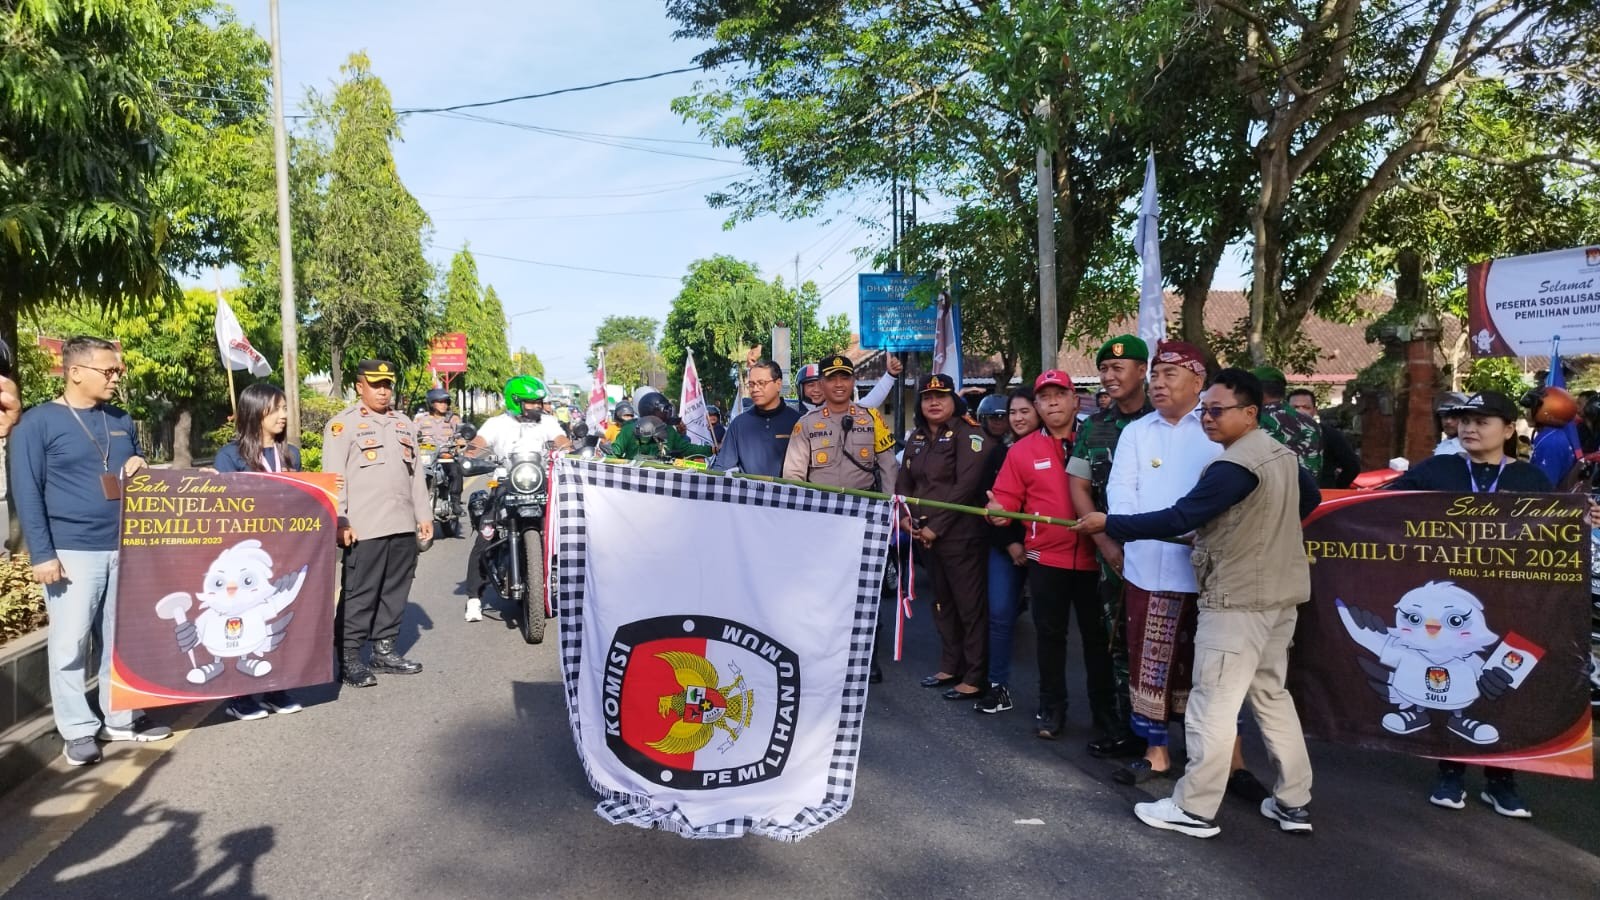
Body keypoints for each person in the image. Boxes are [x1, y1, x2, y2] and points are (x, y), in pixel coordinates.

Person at [1075, 368, 1321, 840]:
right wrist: (1255, 530)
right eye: (1205, 410)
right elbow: (1305, 499)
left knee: (1213, 705)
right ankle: (1294, 801)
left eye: (1218, 411)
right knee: (1271, 696)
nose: (1208, 418)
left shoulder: (1233, 466)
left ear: (1250, 413)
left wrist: (1110, 524)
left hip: (1237, 600)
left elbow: (1181, 516)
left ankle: (1195, 807)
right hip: (1279, 596)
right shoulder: (1280, 454)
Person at [1386, 390, 1556, 817]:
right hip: (1453, 611)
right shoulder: (1438, 469)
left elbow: (1559, 531)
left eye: (1482, 421)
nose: (1469, 428)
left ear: (1509, 429)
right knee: (1450, 685)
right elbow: (1378, 507)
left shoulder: (1530, 479)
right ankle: (1451, 771)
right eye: (1464, 420)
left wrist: (1586, 518)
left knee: (1504, 686)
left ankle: (1502, 779)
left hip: (1513, 602)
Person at [12, 336, 172, 765]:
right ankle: (78, 730)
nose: (117, 378)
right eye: (109, 370)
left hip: (125, 547)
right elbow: (27, 493)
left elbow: (137, 464)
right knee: (71, 644)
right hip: (71, 552)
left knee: (121, 640)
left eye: (119, 370)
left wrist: (141, 464)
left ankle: (120, 718)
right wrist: (42, 554)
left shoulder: (120, 419)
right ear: (75, 372)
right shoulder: (37, 424)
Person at [1104, 341, 1220, 784]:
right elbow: (1121, 490)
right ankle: (1157, 751)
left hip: (1204, 569)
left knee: (1205, 666)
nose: (1157, 383)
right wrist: (1132, 528)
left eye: (1170, 374)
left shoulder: (1214, 429)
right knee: (1149, 663)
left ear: (1198, 381)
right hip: (1148, 565)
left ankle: (1215, 757)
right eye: (1154, 374)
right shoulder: (1137, 432)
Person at [987, 370, 1114, 744]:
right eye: (1044, 397)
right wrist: (998, 513)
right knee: (1050, 638)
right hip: (1046, 560)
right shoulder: (1022, 450)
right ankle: (1052, 707)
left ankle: (1106, 714)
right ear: (1038, 405)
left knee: (1099, 641)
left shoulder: (1100, 440)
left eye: (1060, 394)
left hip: (1097, 559)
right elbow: (1005, 501)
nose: (1052, 402)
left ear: (1076, 400)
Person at [1065, 335, 1154, 758]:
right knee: (1119, 640)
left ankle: (1168, 735)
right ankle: (1129, 729)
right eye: (1104, 369)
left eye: (1119, 368)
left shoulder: (1168, 421)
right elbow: (1078, 485)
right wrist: (1104, 543)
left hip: (1165, 549)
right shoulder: (1094, 426)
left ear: (1142, 370)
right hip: (1114, 553)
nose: (1109, 376)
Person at [323, 360, 431, 687]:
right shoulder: (342, 426)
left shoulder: (403, 424)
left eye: (387, 384)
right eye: (376, 385)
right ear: (360, 387)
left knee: (395, 590)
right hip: (364, 526)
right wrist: (340, 520)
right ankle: (349, 658)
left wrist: (423, 515)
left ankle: (384, 651)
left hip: (402, 523)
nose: (383, 391)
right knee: (360, 594)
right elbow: (334, 478)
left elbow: (416, 475)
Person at [213, 382, 305, 720]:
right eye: (276, 408)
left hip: (284, 551)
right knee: (242, 620)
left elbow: (302, 499)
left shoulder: (289, 453)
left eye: (284, 408)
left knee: (277, 619)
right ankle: (238, 694)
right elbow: (223, 507)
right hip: (244, 554)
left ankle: (275, 687)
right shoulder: (230, 456)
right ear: (255, 411)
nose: (283, 415)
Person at [896, 373, 991, 700]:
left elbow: (965, 487)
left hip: (959, 536)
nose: (933, 402)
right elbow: (904, 481)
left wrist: (935, 527)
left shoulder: (969, 433)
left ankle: (975, 676)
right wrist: (905, 518)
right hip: (923, 534)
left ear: (954, 400)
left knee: (969, 606)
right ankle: (951, 665)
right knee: (941, 603)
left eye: (941, 396)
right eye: (927, 397)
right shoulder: (917, 437)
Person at [461, 375, 570, 622]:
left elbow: (562, 440)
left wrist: (569, 449)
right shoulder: (496, 424)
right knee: (485, 535)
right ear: (515, 401)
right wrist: (470, 453)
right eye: (531, 402)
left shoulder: (548, 422)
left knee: (567, 530)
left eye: (539, 402)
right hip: (505, 483)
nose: (537, 406)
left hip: (541, 483)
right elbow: (479, 444)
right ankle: (474, 598)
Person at [973, 389, 1038, 714]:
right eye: (1012, 413)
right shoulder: (1000, 453)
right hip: (1006, 546)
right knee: (999, 615)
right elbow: (987, 503)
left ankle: (1053, 702)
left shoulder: (1062, 448)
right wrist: (1011, 543)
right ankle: (997, 686)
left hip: (1047, 547)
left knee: (1051, 626)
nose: (1017, 418)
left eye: (1025, 411)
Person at [783, 355, 898, 489]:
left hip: (863, 499)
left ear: (853, 381)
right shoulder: (806, 423)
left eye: (845, 378)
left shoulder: (871, 417)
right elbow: (793, 474)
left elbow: (889, 466)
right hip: (820, 500)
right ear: (821, 384)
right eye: (831, 379)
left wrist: (888, 500)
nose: (839, 384)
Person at [713, 361, 800, 477]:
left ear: (778, 384)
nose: (755, 389)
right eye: (751, 384)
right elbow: (722, 468)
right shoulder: (739, 424)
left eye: (761, 383)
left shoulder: (798, 422)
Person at [1253, 366, 1324, 478]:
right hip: (1305, 487)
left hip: (1266, 487)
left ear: (1256, 391)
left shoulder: (1252, 422)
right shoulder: (1311, 424)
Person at [1287, 389, 1360, 488]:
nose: (1300, 411)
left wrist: (1336, 487)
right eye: (1295, 407)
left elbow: (1352, 466)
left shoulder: (1330, 434)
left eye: (1306, 407)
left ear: (1314, 410)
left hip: (1322, 492)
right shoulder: (1277, 435)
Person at [613, 391, 711, 460]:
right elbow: (615, 452)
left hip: (661, 479)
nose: (667, 413)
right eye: (664, 410)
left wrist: (711, 450)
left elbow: (686, 449)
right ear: (651, 411)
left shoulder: (669, 430)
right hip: (635, 478)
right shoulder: (629, 429)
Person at [413, 388, 465, 515]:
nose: (444, 405)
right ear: (431, 403)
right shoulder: (421, 419)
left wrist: (460, 442)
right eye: (440, 402)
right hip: (425, 456)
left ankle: (455, 502)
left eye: (446, 402)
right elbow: (411, 434)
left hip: (445, 456)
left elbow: (461, 435)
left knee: (456, 471)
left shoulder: (453, 419)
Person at [1432, 391, 1468, 456]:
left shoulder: (1469, 448)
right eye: (1444, 416)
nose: (1448, 421)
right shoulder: (1443, 445)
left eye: (1454, 417)